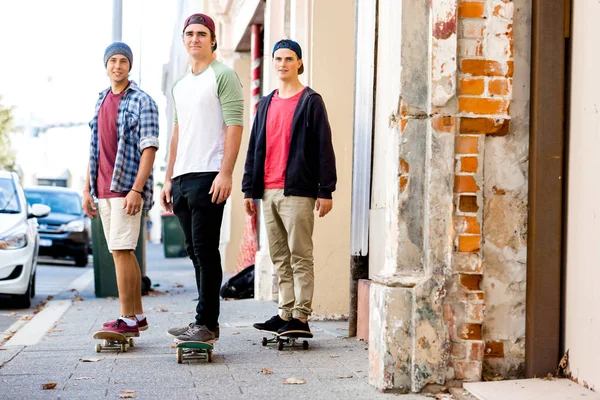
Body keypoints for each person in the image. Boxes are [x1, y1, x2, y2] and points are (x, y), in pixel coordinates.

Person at [242, 39, 337, 336]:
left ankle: (302, 316)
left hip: (298, 190)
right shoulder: (266, 103)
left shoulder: (310, 101)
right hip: (267, 190)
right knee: (279, 255)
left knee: (300, 254)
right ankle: (285, 312)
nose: (283, 63)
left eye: (289, 58)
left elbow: (324, 147)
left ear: (299, 63)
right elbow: (254, 147)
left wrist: (326, 189)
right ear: (272, 63)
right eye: (278, 58)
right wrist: (249, 189)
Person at [160, 13, 244, 344]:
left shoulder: (223, 75)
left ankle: (207, 323)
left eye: (202, 33)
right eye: (190, 33)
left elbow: (235, 124)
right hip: (182, 178)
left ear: (212, 40)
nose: (195, 38)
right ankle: (202, 319)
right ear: (184, 41)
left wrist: (226, 172)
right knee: (194, 251)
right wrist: (168, 178)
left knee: (206, 251)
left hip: (210, 175)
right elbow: (177, 134)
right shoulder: (180, 84)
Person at [82, 42, 159, 337]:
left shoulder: (142, 100)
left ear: (130, 66)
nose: (117, 65)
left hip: (126, 188)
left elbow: (149, 147)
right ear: (106, 66)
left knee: (122, 249)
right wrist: (87, 188)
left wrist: (137, 189)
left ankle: (126, 318)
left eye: (123, 61)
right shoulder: (101, 100)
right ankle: (137, 315)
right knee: (121, 252)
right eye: (112, 60)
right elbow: (93, 148)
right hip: (102, 188)